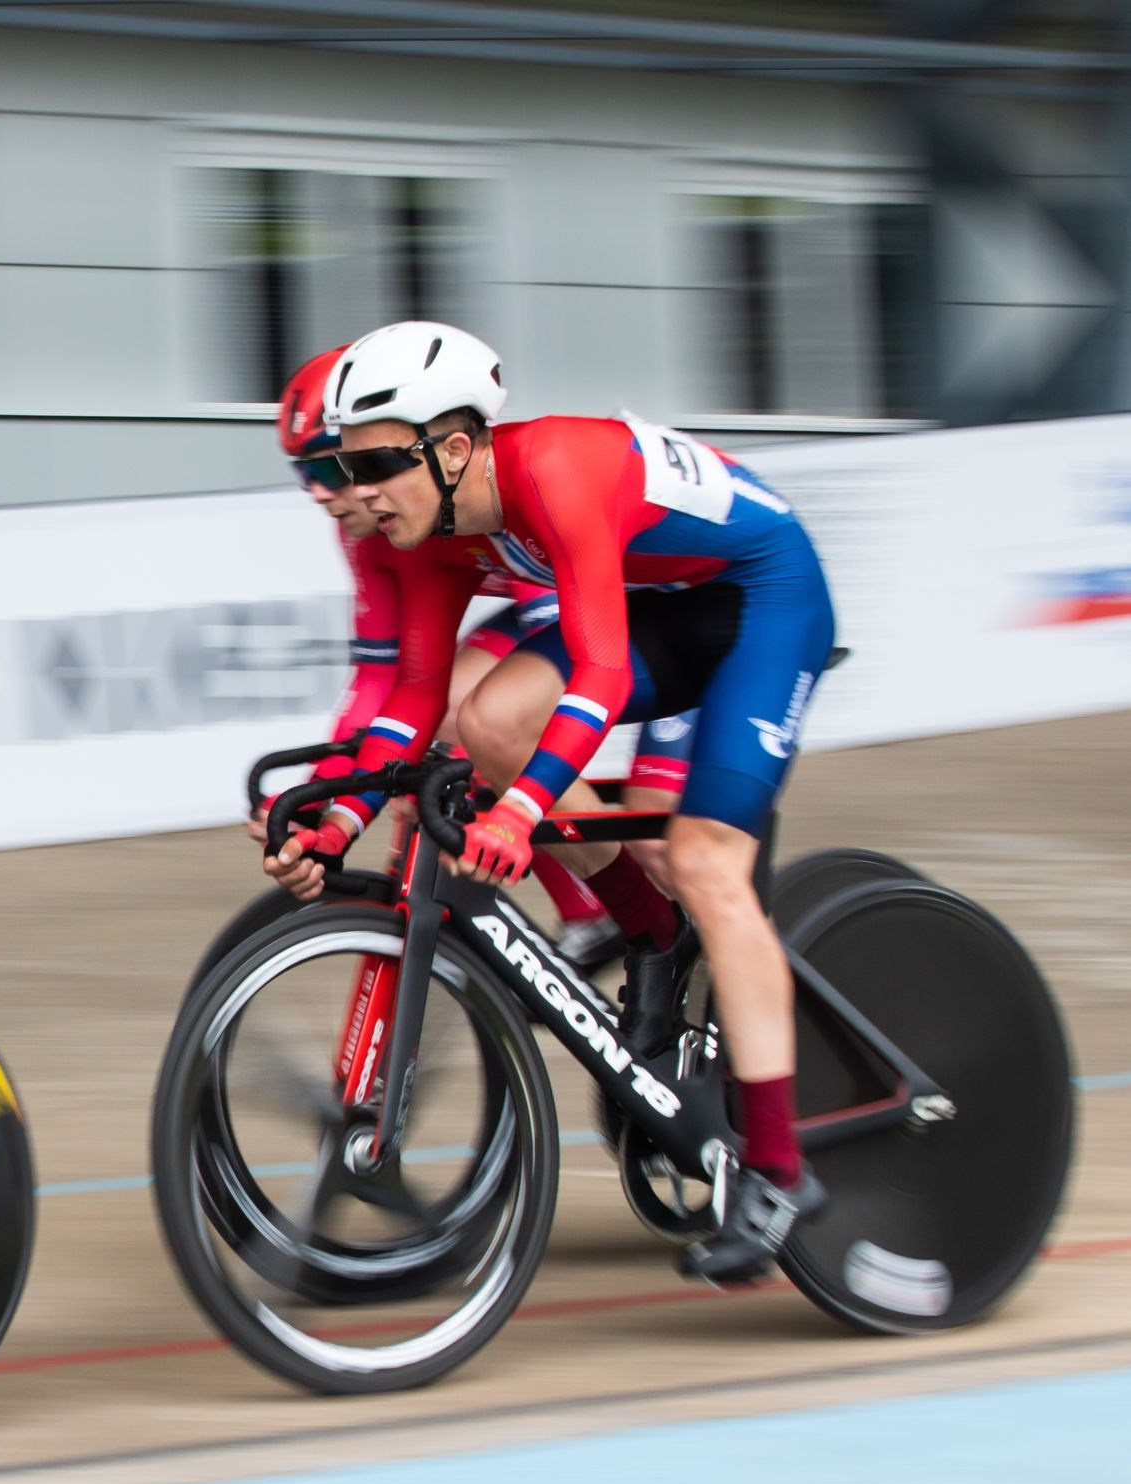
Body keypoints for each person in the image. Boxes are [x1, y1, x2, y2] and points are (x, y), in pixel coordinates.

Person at [289, 321, 835, 1285]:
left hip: (765, 598)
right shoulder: (424, 531)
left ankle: (780, 1173)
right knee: (487, 721)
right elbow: (415, 702)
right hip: (670, 604)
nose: (357, 490)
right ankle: (651, 932)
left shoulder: (560, 465)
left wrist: (522, 812)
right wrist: (334, 820)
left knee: (710, 860)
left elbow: (603, 674)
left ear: (454, 449)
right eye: (340, 462)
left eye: (376, 460)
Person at [264, 347, 621, 968]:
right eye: (305, 477)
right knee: (423, 738)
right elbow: (379, 681)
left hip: (586, 608)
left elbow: (571, 645)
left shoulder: (473, 496)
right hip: (534, 613)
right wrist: (321, 794)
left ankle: (598, 908)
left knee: (469, 718)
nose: (320, 495)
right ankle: (586, 909)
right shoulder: (373, 536)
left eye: (331, 471)